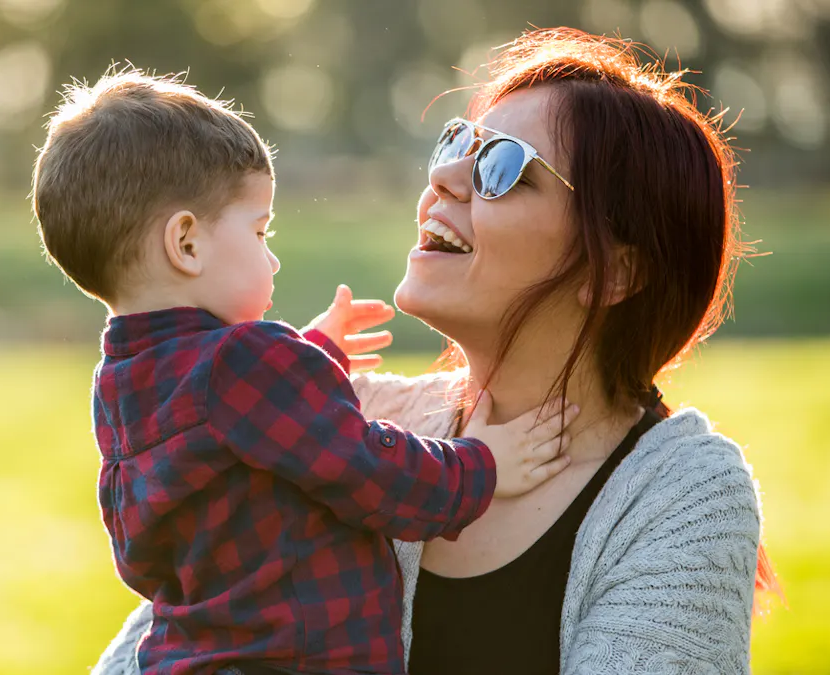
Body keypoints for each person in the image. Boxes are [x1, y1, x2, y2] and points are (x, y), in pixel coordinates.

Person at [93, 28, 774, 675]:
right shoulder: (345, 413)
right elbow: (177, 634)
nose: (445, 177)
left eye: (503, 168)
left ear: (613, 273)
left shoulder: (682, 492)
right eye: (457, 143)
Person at [31, 69, 577, 675]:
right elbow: (369, 470)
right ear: (186, 243)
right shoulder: (244, 362)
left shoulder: (118, 387)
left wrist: (313, 351)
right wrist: (482, 464)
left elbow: (147, 549)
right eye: (260, 230)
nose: (273, 256)